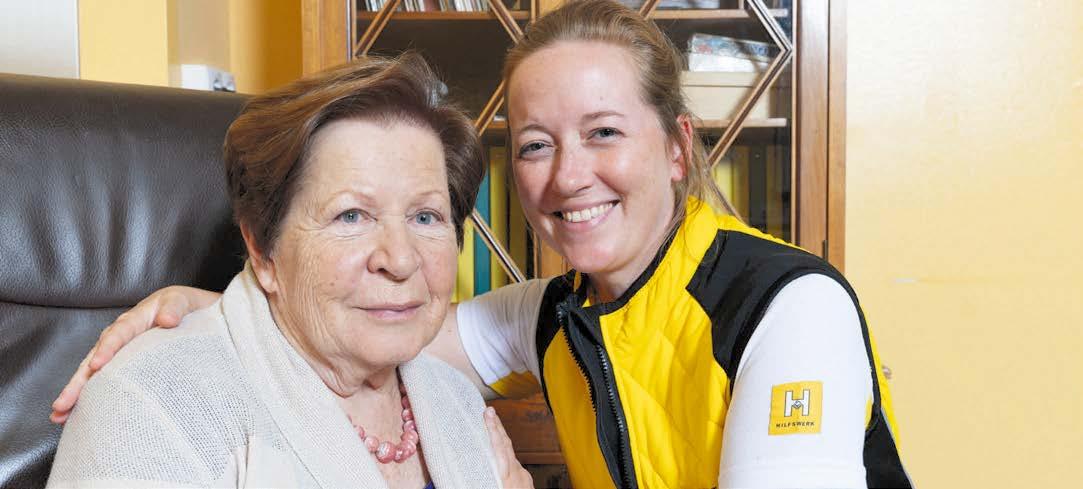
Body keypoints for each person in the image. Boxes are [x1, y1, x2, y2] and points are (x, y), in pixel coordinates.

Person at [52, 1, 911, 487]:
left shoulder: (785, 307)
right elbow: (385, 323)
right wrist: (229, 305)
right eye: (534, 144)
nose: (568, 175)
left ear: (678, 148)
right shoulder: (556, 312)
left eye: (604, 132)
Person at [47, 53, 531, 489]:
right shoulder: (152, 402)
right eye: (351, 216)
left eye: (425, 217)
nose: (401, 259)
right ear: (262, 249)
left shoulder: (457, 403)